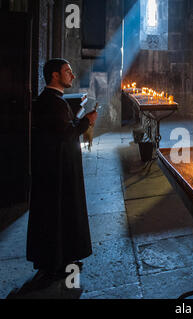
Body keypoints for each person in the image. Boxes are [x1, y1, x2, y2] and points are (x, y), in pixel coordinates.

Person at [26, 58, 97, 281]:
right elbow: (67, 133)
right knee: (57, 214)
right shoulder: (53, 102)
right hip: (57, 171)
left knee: (56, 215)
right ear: (54, 75)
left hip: (54, 167)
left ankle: (59, 258)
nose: (72, 75)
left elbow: (60, 129)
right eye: (67, 71)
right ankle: (56, 262)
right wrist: (87, 121)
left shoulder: (51, 100)